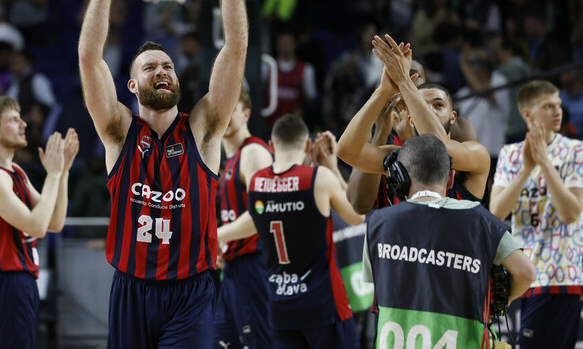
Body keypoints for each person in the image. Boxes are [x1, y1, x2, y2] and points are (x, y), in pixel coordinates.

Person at [78, 0, 247, 347]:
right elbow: (88, 57)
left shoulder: (204, 129)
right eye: (150, 67)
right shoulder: (118, 132)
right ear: (132, 86)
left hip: (192, 291)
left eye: (167, 65)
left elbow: (235, 47)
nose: (162, 71)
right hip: (131, 288)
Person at [363, 134, 535, 347]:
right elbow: (526, 272)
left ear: (400, 179)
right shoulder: (481, 221)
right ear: (451, 178)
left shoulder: (378, 223)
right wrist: (500, 300)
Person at [218, 114, 363, 348]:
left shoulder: (256, 183)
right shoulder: (319, 178)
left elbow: (253, 221)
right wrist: (333, 168)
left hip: (280, 305)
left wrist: (217, 236)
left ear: (272, 146)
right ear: (307, 145)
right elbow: (357, 217)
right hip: (323, 304)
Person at [0, 96, 78, 348]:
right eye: (13, 119)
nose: (23, 124)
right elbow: (36, 227)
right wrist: (51, 175)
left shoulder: (15, 171)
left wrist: (62, 174)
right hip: (3, 282)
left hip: (21, 281)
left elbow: (53, 223)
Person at [338, 35, 491, 211]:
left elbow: (439, 148)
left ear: (453, 116)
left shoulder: (477, 154)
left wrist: (403, 81)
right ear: (411, 117)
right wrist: (383, 91)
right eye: (423, 106)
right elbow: (346, 151)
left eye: (438, 105)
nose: (429, 111)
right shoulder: (401, 156)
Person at [489, 80, 583, 348]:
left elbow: (571, 212)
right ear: (527, 114)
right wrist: (527, 169)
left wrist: (544, 161)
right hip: (523, 276)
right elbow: (496, 212)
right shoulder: (510, 153)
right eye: (548, 106)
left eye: (559, 105)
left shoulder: (575, 151)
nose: (558, 111)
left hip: (561, 276)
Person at [213, 87, 274, 348]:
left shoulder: (253, 153)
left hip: (255, 266)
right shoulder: (227, 161)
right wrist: (221, 244)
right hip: (234, 268)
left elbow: (263, 213)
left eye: (232, 109)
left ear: (246, 114)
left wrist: (215, 237)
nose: (225, 116)